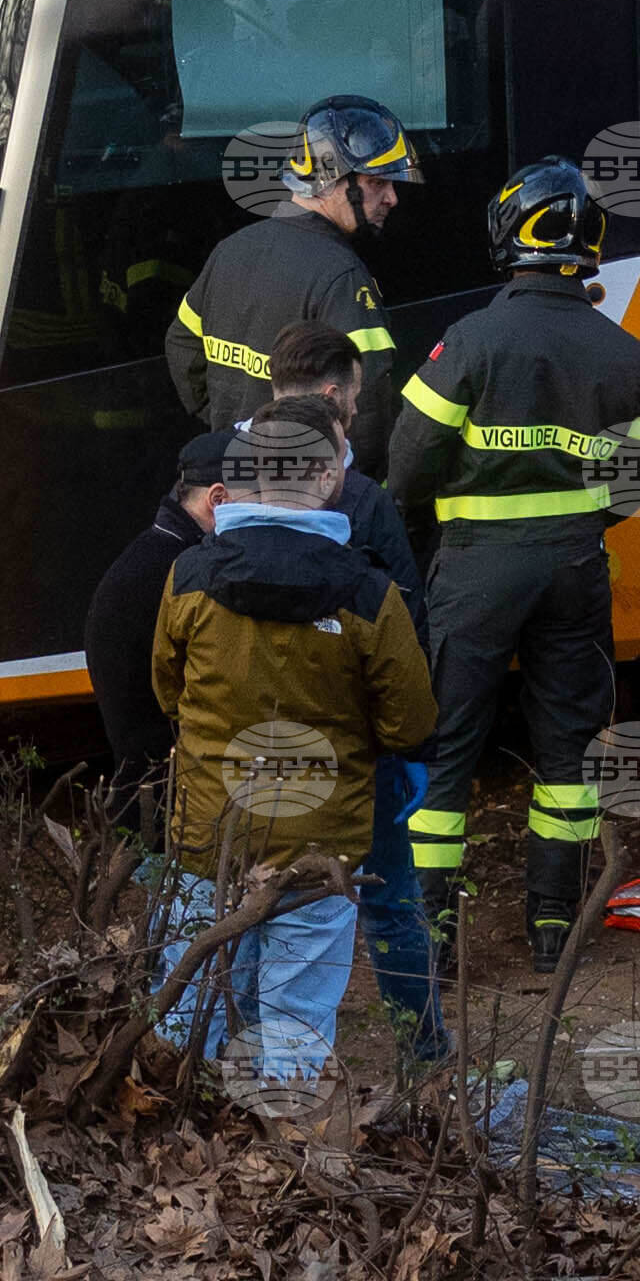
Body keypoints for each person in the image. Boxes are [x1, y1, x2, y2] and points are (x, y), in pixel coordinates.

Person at [387, 161, 640, 968]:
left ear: (509, 237)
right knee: (569, 753)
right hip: (576, 567)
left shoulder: (471, 340)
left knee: (445, 749)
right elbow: (636, 482)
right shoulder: (625, 354)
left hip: (474, 572)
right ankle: (552, 928)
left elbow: (406, 465)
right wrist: (575, 521)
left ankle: (430, 940)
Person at [152, 416, 435, 1080]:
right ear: (329, 478)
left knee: (194, 1008)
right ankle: (281, 1162)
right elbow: (409, 725)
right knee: (296, 1022)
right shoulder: (370, 593)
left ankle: (183, 1138)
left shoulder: (188, 577)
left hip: (209, 837)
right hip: (321, 847)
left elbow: (168, 693)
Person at [258, 323, 443, 1061]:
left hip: (252, 746)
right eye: (360, 399)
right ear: (335, 395)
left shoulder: (228, 473)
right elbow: (408, 627)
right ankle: (421, 1048)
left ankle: (228, 1053)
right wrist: (410, 744)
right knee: (391, 901)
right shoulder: (359, 499)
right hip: (354, 751)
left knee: (257, 903)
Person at [165, 98, 415, 471]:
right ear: (331, 180)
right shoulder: (342, 277)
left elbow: (182, 346)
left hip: (240, 477)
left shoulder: (230, 250)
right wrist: (359, 494)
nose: (392, 198)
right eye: (376, 182)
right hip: (308, 495)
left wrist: (228, 421)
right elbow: (369, 407)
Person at [83, 435, 227, 776]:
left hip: (142, 784)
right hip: (163, 788)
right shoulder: (182, 571)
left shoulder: (155, 551)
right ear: (217, 499)